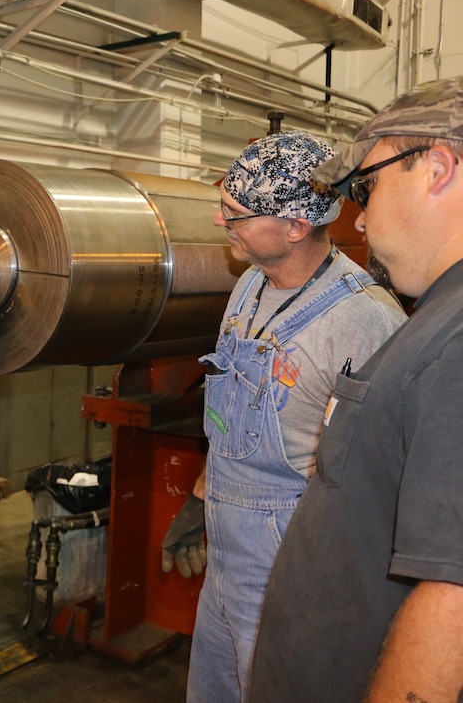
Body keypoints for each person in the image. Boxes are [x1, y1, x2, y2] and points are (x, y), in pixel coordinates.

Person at [159, 130, 406, 702]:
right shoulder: (248, 286)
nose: (222, 222)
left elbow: (367, 481)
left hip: (288, 556)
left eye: (237, 213)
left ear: (296, 226)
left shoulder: (361, 322)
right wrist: (200, 497)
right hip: (225, 542)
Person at [249, 77, 463, 702]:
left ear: (438, 169)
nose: (361, 217)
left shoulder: (455, 339)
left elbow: (452, 598)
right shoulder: (438, 318)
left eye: (367, 187)